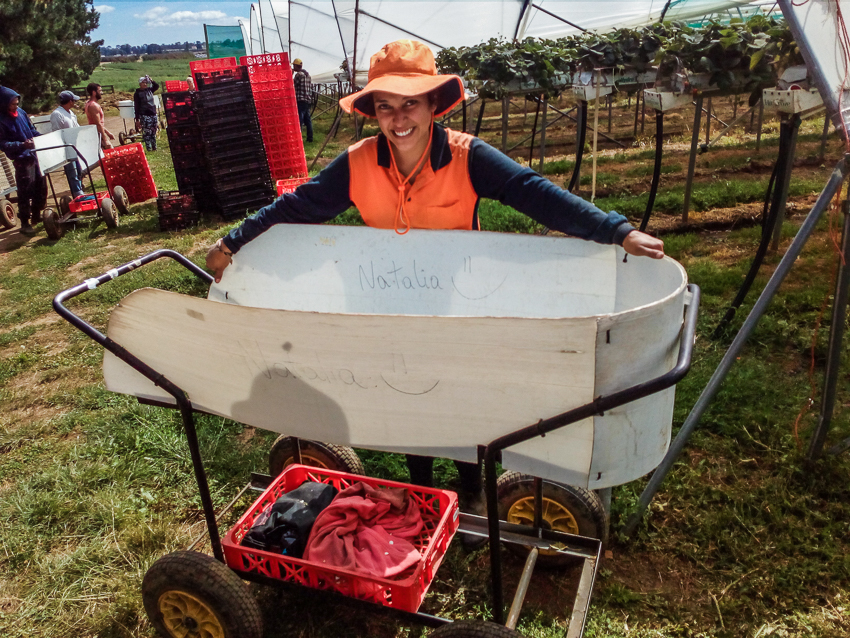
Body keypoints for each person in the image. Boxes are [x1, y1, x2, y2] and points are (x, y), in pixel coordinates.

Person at [206, 39, 664, 523]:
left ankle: (472, 490)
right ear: (374, 113)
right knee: (406, 390)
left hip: (459, 299)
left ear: (432, 105)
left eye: (410, 104)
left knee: (461, 392)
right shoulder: (359, 162)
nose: (398, 118)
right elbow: (296, 206)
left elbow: (534, 192)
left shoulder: (469, 157)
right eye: (386, 107)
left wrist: (616, 230)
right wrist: (232, 243)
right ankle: (422, 491)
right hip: (387, 297)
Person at [0, 86, 47, 236]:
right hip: (22, 160)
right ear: (4, 103)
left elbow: (31, 130)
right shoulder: (1, 121)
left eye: (17, 103)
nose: (16, 106)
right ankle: (25, 222)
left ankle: (37, 214)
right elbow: (3, 143)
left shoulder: (21, 113)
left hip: (35, 155)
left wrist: (41, 137)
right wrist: (21, 145)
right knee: (25, 192)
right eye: (13, 104)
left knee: (41, 187)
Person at [49, 90, 85, 199]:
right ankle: (77, 193)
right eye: (73, 100)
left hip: (75, 145)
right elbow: (56, 132)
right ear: (70, 101)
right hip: (66, 147)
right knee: (71, 171)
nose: (74, 102)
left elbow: (76, 126)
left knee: (79, 169)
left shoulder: (70, 113)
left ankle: (79, 189)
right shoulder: (57, 114)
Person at [85, 83, 115, 150]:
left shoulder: (88, 103)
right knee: (111, 154)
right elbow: (97, 124)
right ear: (94, 92)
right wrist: (105, 140)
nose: (102, 93)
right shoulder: (93, 106)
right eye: (100, 91)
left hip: (97, 134)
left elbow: (98, 123)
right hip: (98, 135)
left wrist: (108, 132)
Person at [133, 74, 160, 151]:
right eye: (143, 82)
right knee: (147, 132)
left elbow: (157, 86)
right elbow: (137, 106)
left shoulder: (150, 90)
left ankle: (154, 147)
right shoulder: (137, 93)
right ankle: (149, 148)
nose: (145, 84)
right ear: (140, 84)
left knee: (153, 131)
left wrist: (151, 80)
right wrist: (137, 119)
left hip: (153, 113)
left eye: (146, 82)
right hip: (144, 114)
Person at [292, 58, 313, 143]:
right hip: (308, 100)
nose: (293, 67)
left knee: (299, 120)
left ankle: (298, 139)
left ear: (297, 66)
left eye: (294, 66)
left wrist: (291, 73)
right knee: (308, 120)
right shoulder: (308, 75)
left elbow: (292, 85)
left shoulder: (298, 75)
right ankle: (310, 138)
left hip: (300, 100)